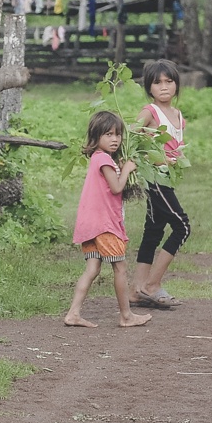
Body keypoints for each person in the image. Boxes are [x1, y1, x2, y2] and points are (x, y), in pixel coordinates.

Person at [66, 110, 151, 329]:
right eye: (109, 134)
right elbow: (116, 187)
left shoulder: (98, 158)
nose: (115, 139)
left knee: (92, 269)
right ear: (96, 136)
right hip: (104, 225)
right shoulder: (104, 159)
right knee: (120, 268)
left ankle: (73, 313)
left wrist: (121, 168)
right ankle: (126, 316)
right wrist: (127, 169)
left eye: (118, 134)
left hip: (90, 224)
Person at [131, 60, 190, 309]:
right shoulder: (150, 112)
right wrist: (157, 159)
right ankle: (153, 285)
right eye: (157, 83)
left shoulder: (178, 115)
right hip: (155, 180)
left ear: (176, 85)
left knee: (153, 231)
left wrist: (177, 159)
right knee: (182, 227)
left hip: (168, 179)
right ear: (149, 88)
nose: (164, 87)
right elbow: (131, 141)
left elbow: (175, 147)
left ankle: (136, 290)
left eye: (169, 81)